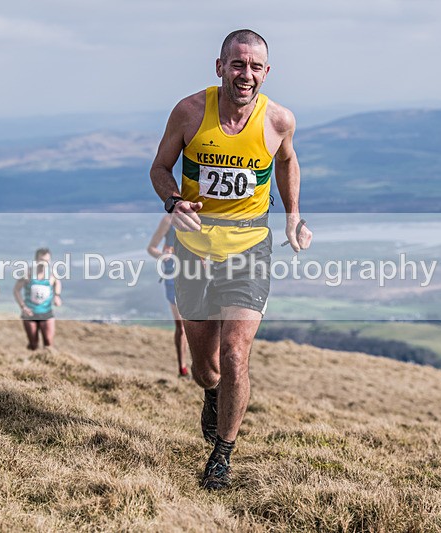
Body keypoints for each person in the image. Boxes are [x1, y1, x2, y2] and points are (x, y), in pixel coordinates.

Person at [149, 29, 313, 490]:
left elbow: (287, 161)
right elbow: (159, 169)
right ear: (219, 66)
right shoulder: (190, 112)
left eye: (255, 67)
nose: (246, 75)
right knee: (207, 368)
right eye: (237, 64)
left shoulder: (279, 119)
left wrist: (293, 215)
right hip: (195, 252)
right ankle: (212, 393)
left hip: (249, 250)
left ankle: (222, 454)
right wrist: (174, 201)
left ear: (266, 72)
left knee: (235, 351)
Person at [147, 214, 190, 378]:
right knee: (182, 326)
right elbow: (151, 248)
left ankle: (204, 367)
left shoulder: (202, 216)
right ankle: (183, 368)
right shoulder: (168, 220)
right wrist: (164, 256)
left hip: (196, 274)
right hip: (173, 275)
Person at [13, 248, 62, 351]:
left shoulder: (52, 273)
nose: (44, 263)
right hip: (30, 313)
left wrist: (57, 295)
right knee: (33, 344)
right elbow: (16, 290)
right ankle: (33, 364)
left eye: (47, 260)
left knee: (48, 342)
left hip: (47, 312)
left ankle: (48, 364)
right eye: (42, 260)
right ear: (36, 260)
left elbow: (57, 283)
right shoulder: (28, 274)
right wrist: (23, 306)